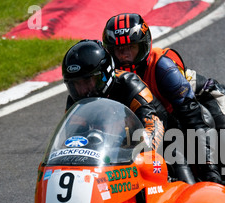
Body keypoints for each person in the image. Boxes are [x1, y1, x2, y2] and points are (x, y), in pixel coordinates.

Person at [102, 13, 225, 195]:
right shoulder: (110, 78)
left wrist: (210, 170)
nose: (125, 56)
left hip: (204, 99)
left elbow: (194, 121)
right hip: (170, 116)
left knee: (224, 148)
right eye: (119, 50)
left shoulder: (163, 68)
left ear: (143, 46)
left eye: (131, 48)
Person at [62, 39, 195, 184]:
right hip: (108, 161)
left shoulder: (130, 85)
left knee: (187, 188)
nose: (83, 90)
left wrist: (141, 155)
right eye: (76, 84)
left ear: (104, 75)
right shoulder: (76, 101)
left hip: (162, 149)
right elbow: (71, 140)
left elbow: (153, 126)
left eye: (87, 81)